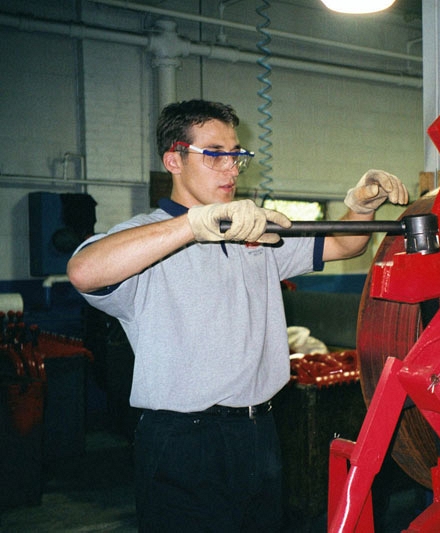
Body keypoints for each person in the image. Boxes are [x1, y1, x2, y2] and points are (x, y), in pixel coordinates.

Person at [67, 99, 408, 531]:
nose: (231, 168)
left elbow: (344, 244)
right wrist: (194, 225)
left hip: (257, 432)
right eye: (214, 154)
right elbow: (83, 271)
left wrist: (361, 206)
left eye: (236, 155)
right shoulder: (145, 238)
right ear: (173, 160)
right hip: (181, 442)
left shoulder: (251, 232)